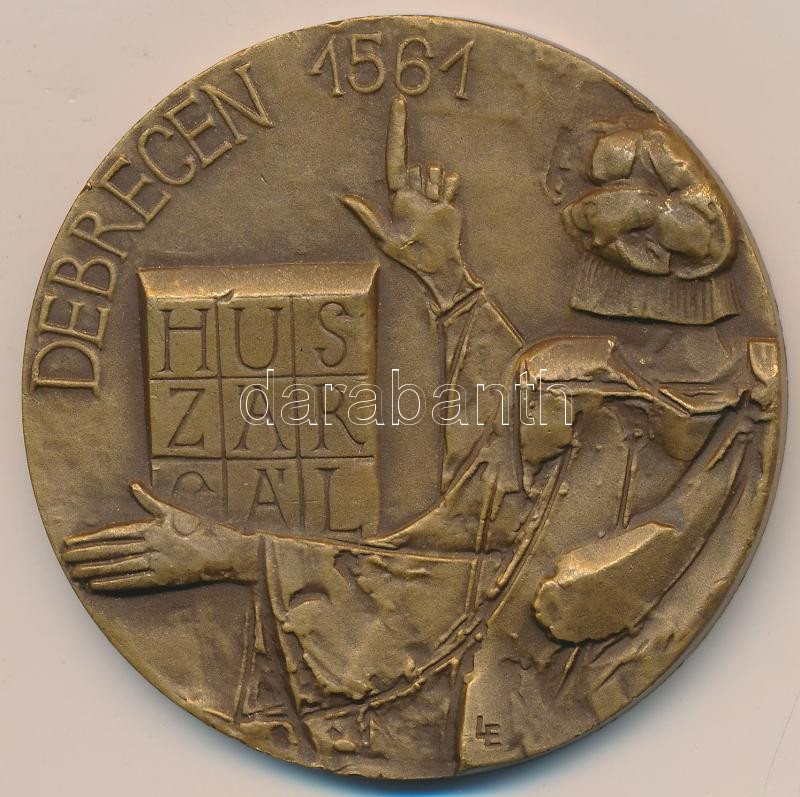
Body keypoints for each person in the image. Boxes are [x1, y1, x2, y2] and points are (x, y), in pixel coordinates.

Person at [63, 98, 779, 776]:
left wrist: (240, 556)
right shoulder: (673, 392)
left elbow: (485, 585)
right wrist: (447, 280)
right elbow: (501, 498)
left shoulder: (644, 424)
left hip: (513, 707)